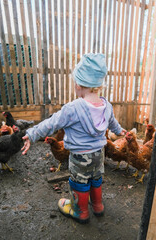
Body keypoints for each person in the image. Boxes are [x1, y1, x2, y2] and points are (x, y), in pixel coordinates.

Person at [21, 53, 126, 224]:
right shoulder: (107, 106)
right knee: (96, 178)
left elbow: (51, 123)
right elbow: (113, 123)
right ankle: (98, 206)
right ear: (99, 85)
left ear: (78, 84)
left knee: (79, 181)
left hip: (80, 157)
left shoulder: (73, 108)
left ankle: (81, 211)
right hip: (99, 153)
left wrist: (32, 134)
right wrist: (120, 131)